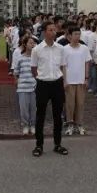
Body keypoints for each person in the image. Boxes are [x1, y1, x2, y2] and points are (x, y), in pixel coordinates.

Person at [30, 21, 67, 157]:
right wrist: (40, 78)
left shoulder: (60, 48)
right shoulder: (37, 49)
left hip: (57, 84)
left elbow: (62, 66)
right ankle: (39, 145)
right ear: (45, 32)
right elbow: (33, 68)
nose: (53, 32)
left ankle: (58, 144)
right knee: (40, 115)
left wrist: (63, 81)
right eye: (50, 30)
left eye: (54, 30)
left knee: (58, 115)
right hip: (43, 84)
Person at [62, 27, 92, 136]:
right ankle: (70, 124)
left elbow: (87, 63)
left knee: (80, 103)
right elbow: (63, 66)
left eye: (79, 34)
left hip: (81, 80)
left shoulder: (84, 48)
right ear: (70, 35)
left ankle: (79, 124)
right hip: (70, 80)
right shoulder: (65, 49)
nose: (77, 36)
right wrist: (64, 80)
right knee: (70, 104)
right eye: (75, 34)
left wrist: (86, 78)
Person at [12, 35, 36, 135]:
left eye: (33, 43)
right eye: (30, 43)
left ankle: (33, 125)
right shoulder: (20, 58)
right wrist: (17, 81)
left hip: (34, 86)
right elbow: (16, 72)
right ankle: (25, 125)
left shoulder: (36, 59)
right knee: (24, 109)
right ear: (25, 44)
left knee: (34, 108)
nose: (32, 45)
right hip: (22, 87)